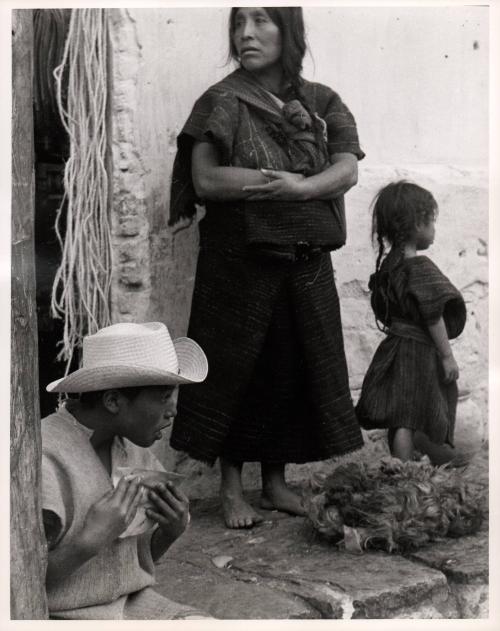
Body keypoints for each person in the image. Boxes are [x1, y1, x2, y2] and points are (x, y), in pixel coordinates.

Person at [169, 7, 365, 529]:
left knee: (291, 365)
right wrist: (278, 177)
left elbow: (346, 168)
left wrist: (299, 187)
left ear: (290, 30)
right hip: (239, 264)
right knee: (239, 368)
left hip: (305, 261)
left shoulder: (321, 101)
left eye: (261, 21)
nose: (246, 34)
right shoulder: (222, 100)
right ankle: (232, 488)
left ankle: (275, 484)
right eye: (239, 24)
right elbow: (207, 180)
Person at [41, 321, 212, 619]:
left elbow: (127, 568)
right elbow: (16, 585)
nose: (173, 410)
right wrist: (90, 539)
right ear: (113, 401)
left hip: (133, 606)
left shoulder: (132, 449)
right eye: (163, 398)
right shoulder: (42, 458)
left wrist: (170, 530)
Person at [355, 181, 467, 462]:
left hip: (396, 346)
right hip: (418, 350)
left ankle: (400, 466)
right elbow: (432, 314)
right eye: (432, 222)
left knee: (401, 413)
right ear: (418, 223)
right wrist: (447, 356)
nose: (434, 230)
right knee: (407, 415)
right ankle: (404, 472)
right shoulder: (420, 268)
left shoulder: (388, 269)